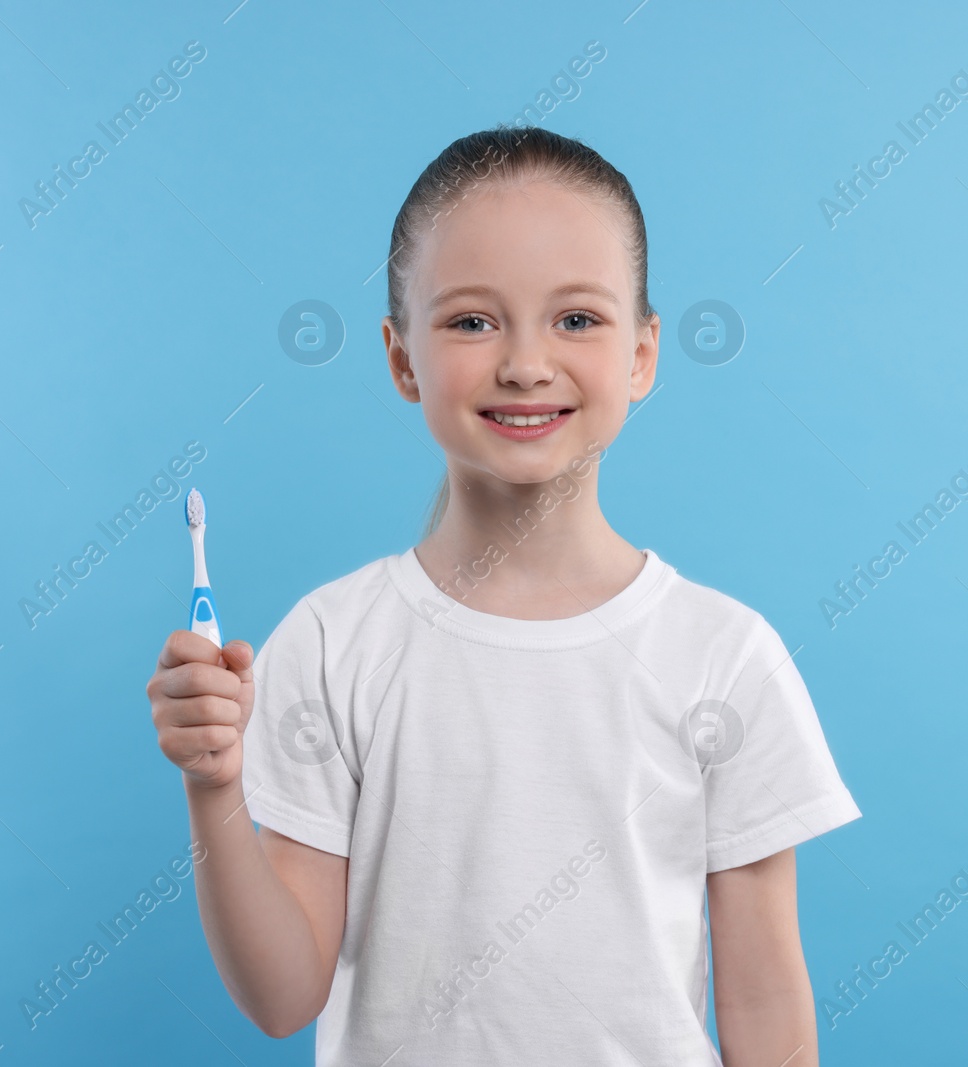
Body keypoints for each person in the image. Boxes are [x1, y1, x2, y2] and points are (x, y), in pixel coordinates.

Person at [147, 125, 862, 1065]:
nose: (526, 363)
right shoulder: (329, 643)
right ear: (402, 359)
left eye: (576, 319)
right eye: (473, 321)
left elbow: (766, 1000)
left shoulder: (724, 655)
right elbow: (283, 997)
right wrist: (215, 788)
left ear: (643, 354)